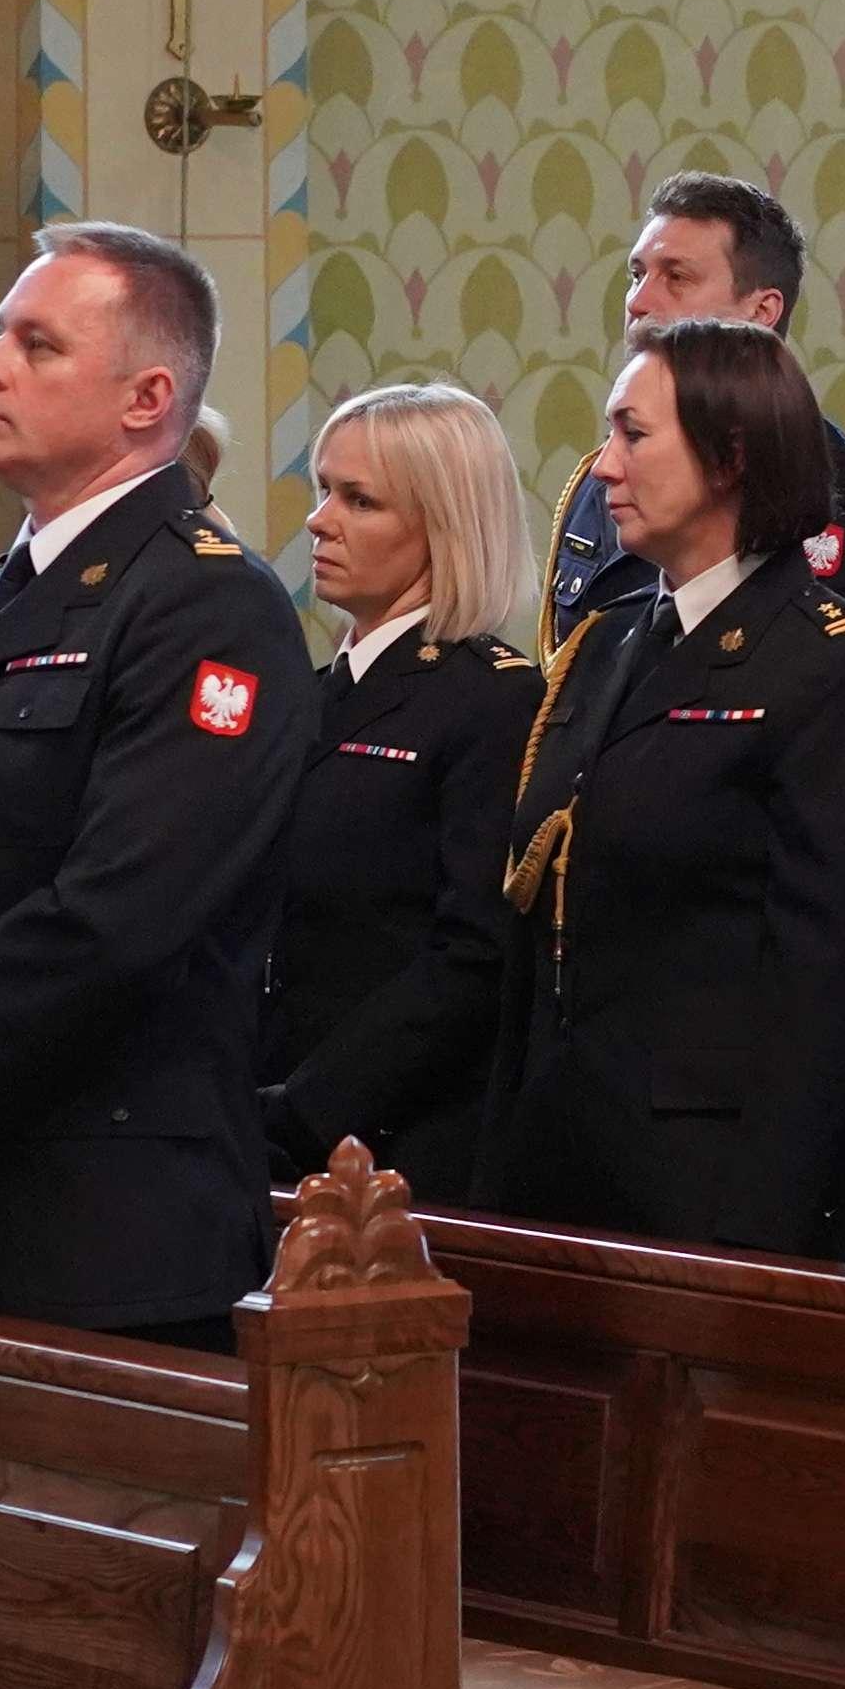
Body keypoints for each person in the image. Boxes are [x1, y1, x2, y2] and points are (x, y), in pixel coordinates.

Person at [0, 226, 319, 1343]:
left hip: (98, 1221)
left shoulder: (209, 605)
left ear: (147, 398)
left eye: (37, 344)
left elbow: (121, 913)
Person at [316, 317, 845, 1256]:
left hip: (720, 1189)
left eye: (633, 434)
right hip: (564, 1159)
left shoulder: (836, 667)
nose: (603, 467)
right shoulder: (604, 647)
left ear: (729, 456)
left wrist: (757, 1235)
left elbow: (831, 984)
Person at [260, 380, 542, 1194]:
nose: (319, 521)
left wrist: (303, 1111)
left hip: (395, 1149)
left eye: (360, 500)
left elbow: (474, 955)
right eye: (324, 490)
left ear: (443, 525)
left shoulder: (494, 698)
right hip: (263, 1116)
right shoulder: (308, 693)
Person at [546, 174, 845, 628]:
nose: (638, 302)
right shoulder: (604, 472)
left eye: (676, 277)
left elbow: (827, 654)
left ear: (761, 312)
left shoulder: (822, 473)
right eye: (637, 276)